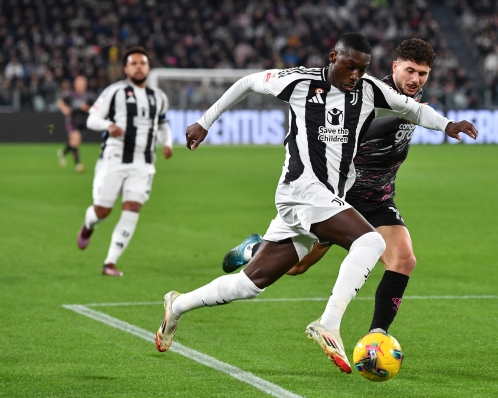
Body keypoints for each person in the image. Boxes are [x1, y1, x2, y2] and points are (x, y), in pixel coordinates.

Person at [155, 33, 477, 374]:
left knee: (248, 285)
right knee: (370, 242)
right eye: (350, 67)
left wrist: (448, 125)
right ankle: (328, 324)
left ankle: (177, 305)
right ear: (333, 57)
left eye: (361, 69)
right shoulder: (299, 82)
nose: (355, 76)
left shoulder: (369, 90)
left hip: (326, 198)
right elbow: (248, 82)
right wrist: (205, 122)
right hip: (301, 189)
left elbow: (413, 110)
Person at [223, 38, 439, 337]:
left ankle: (377, 336)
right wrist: (403, 115)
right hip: (337, 197)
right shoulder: (366, 92)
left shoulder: (414, 99)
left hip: (378, 198)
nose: (415, 79)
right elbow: (353, 132)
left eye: (423, 74)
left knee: (404, 259)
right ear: (395, 67)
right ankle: (254, 249)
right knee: (297, 267)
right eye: (410, 71)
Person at [77, 47, 173, 277]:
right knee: (102, 211)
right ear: (126, 68)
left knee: (132, 207)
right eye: (134, 63)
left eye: (143, 63)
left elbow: (162, 124)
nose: (139, 66)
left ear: (148, 68)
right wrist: (108, 126)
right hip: (114, 159)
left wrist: (167, 142)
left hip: (144, 163)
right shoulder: (114, 92)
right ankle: (88, 225)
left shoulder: (158, 97)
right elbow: (92, 119)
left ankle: (110, 262)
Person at [56, 75, 96, 172]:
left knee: (75, 143)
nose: (82, 85)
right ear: (75, 84)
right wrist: (64, 109)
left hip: (83, 122)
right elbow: (60, 102)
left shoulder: (90, 95)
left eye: (83, 83)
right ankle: (78, 165)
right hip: (72, 120)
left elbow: (95, 108)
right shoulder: (69, 94)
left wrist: (86, 108)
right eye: (80, 83)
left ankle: (63, 152)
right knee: (75, 139)